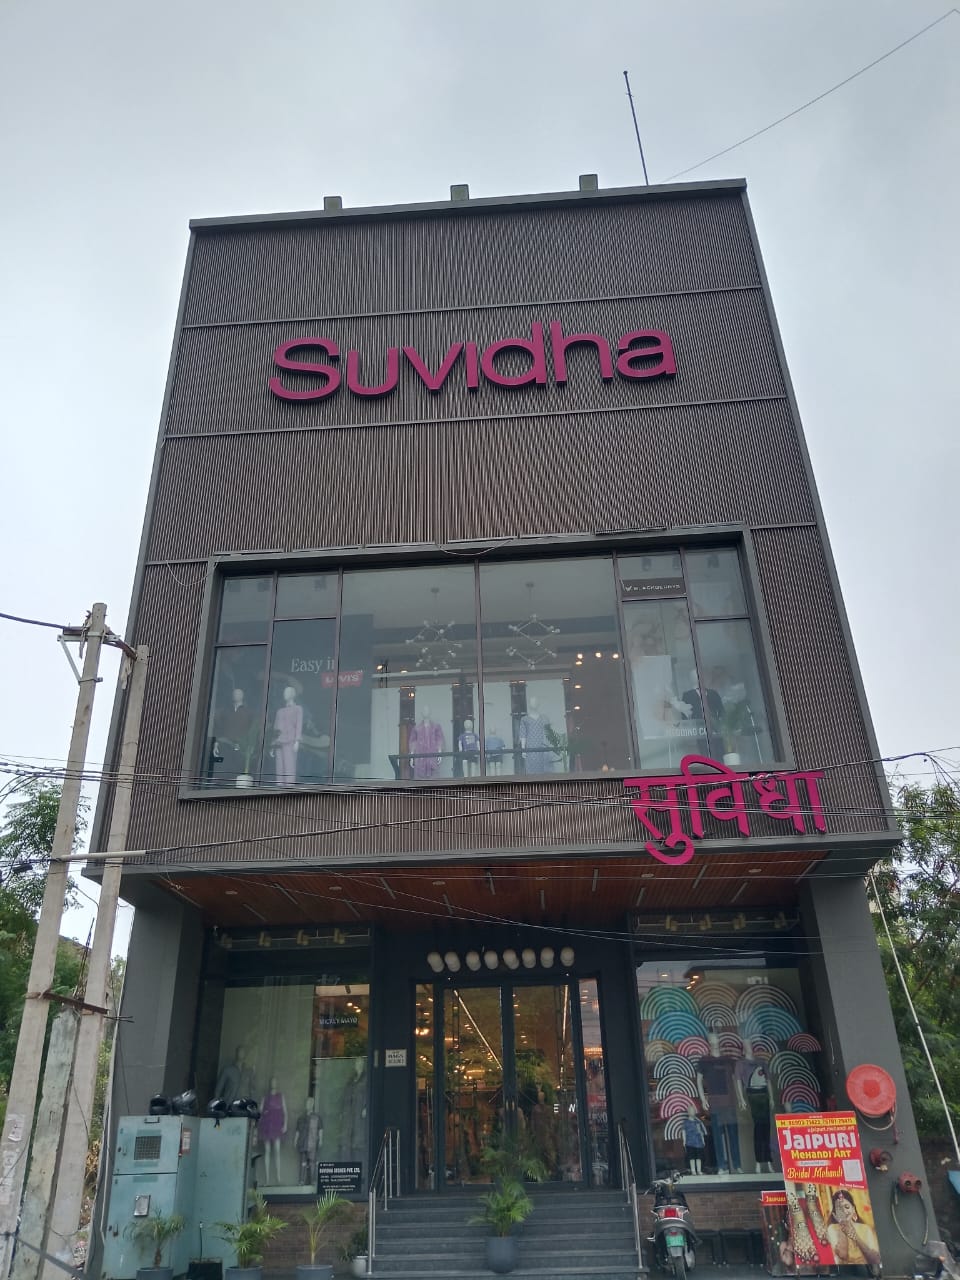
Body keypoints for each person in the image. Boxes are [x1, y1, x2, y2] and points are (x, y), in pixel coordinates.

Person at [825, 1189, 881, 1267]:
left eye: (847, 1207)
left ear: (853, 1208)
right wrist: (843, 1226)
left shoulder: (865, 1229)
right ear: (835, 1213)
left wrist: (856, 1237)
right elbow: (843, 1254)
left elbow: (876, 1260)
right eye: (840, 1209)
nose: (844, 1211)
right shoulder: (832, 1228)